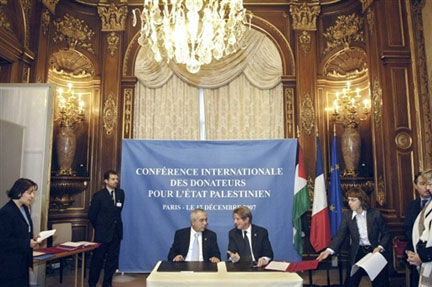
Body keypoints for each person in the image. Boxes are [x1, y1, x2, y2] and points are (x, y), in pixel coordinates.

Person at [317, 188, 390, 287]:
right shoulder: (347, 215)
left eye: (353, 200)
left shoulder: (375, 214)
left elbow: (386, 234)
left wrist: (380, 247)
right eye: (348, 200)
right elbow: (340, 235)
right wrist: (329, 250)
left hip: (374, 251)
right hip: (357, 251)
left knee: (380, 283)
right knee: (351, 282)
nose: (350, 203)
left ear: (362, 200)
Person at [88, 170, 125, 287]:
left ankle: (107, 283)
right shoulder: (99, 196)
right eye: (113, 179)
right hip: (102, 234)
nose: (116, 182)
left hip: (116, 233)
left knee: (112, 261)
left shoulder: (120, 193)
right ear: (106, 181)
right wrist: (100, 227)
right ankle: (92, 283)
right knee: (97, 260)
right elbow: (92, 215)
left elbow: (117, 212)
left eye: (117, 179)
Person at [0, 178, 39, 287]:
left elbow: (22, 231)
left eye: (33, 193)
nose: (32, 196)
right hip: (10, 265)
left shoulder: (24, 209)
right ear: (19, 192)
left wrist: (33, 238)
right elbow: (3, 241)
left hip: (22, 262)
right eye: (30, 192)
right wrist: (27, 243)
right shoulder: (6, 212)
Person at [404, 172, 431, 286]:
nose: (427, 188)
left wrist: (422, 256)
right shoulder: (413, 205)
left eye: (430, 184)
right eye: (424, 184)